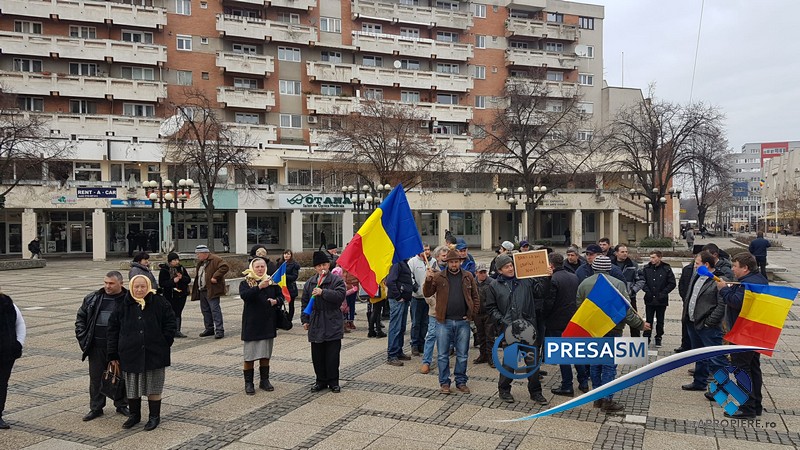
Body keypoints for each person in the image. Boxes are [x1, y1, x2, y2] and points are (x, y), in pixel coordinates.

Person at [576, 256, 649, 413]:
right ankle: (607, 400)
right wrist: (640, 325)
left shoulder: (583, 284)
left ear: (594, 267)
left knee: (595, 364)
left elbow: (579, 308)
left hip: (592, 330)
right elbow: (625, 311)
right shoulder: (617, 284)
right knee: (609, 366)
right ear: (609, 268)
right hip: (612, 330)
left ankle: (597, 398)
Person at [107, 274, 176, 431]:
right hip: (130, 353)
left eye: (142, 286)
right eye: (136, 286)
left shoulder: (159, 302)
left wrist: (165, 341)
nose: (139, 289)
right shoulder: (122, 304)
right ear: (131, 287)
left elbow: (170, 322)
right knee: (132, 387)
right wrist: (113, 353)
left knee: (154, 386)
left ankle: (154, 417)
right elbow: (113, 329)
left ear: (148, 286)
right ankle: (134, 416)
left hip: (155, 353)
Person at [485, 253, 549, 404]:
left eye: (511, 265)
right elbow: (490, 308)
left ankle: (535, 392)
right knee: (509, 362)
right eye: (506, 266)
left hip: (528, 328)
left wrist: (546, 277)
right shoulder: (494, 286)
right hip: (509, 330)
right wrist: (502, 320)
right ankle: (504, 390)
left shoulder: (525, 280)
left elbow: (541, 292)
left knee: (532, 362)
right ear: (499, 270)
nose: (510, 268)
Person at [716, 252, 768, 418]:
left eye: (735, 266)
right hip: (754, 332)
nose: (733, 269)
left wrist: (723, 290)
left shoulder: (748, 284)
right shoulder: (759, 279)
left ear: (745, 268)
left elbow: (736, 302)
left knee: (742, 370)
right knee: (753, 368)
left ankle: (748, 408)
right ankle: (756, 404)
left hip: (743, 333)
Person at [75, 271, 131, 422]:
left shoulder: (129, 299)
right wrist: (82, 336)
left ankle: (121, 404)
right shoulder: (93, 298)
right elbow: (81, 317)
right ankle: (96, 407)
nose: (107, 286)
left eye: (111, 283)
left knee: (121, 376)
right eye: (105, 282)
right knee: (96, 378)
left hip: (120, 346)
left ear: (121, 283)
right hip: (97, 346)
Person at [423, 249, 479, 395]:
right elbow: (427, 293)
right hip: (443, 321)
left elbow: (475, 296)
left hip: (462, 321)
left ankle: (461, 381)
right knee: (442, 354)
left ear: (460, 262)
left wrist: (472, 313)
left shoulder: (468, 276)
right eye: (451, 262)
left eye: (456, 262)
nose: (454, 264)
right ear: (447, 263)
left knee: (462, 354)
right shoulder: (439, 276)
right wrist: (428, 279)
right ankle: (444, 382)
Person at [680, 251, 728, 393]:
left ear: (706, 264)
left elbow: (722, 305)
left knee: (716, 359)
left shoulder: (719, 280)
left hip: (708, 326)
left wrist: (709, 322)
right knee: (699, 356)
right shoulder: (697, 276)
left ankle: (721, 389)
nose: (694, 266)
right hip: (692, 323)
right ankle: (699, 382)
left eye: (697, 263)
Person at [301, 251, 346, 393]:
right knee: (317, 355)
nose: (322, 268)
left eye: (324, 264)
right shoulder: (310, 283)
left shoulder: (336, 280)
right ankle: (320, 380)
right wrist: (305, 319)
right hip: (316, 321)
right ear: (315, 268)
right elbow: (304, 303)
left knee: (332, 355)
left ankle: (333, 381)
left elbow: (340, 296)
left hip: (332, 320)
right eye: (319, 266)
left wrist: (323, 292)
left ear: (329, 265)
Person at [544, 253, 588, 397]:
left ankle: (567, 385)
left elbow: (549, 303)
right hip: (573, 319)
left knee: (563, 355)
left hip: (557, 321)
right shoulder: (573, 276)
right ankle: (583, 382)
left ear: (551, 265)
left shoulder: (553, 280)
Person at [239, 258, 284, 395]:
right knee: (250, 355)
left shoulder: (272, 281)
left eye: (262, 266)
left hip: (267, 322)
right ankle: (249, 383)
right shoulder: (246, 282)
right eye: (257, 266)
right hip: (252, 323)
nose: (260, 269)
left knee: (265, 354)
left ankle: (264, 380)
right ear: (252, 268)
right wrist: (259, 287)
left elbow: (281, 297)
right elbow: (245, 296)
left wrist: (276, 301)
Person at [639, 250, 676, 348]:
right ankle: (647, 336)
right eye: (650, 257)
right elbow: (642, 281)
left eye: (654, 257)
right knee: (649, 319)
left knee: (660, 320)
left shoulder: (666, 268)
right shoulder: (646, 268)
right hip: (650, 299)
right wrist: (648, 291)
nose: (652, 259)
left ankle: (658, 337)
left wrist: (663, 293)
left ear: (659, 258)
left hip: (661, 300)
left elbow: (672, 283)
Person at [0, 289, 26, 430]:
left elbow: (20, 324)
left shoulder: (7, 303)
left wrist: (18, 344)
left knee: (1, 384)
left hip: (5, 354)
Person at [191, 245, 229, 339]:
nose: (197, 256)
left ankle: (219, 330)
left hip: (212, 289)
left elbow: (225, 267)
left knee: (215, 310)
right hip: (202, 290)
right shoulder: (201, 262)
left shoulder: (216, 259)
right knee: (205, 310)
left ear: (204, 253)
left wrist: (215, 276)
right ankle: (209, 328)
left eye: (198, 254)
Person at [420, 245, 445, 374]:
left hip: (445, 314)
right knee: (431, 336)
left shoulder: (444, 275)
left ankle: (443, 361)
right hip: (434, 313)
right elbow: (427, 296)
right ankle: (426, 361)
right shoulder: (431, 275)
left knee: (444, 338)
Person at [611, 245, 644, 337]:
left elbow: (641, 280)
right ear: (616, 253)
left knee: (634, 321)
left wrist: (632, 291)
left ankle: (636, 341)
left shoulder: (633, 265)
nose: (625, 254)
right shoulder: (611, 265)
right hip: (613, 299)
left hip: (630, 298)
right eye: (622, 252)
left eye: (626, 252)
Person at [386, 259, 415, 366]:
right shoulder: (397, 263)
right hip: (397, 300)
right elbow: (390, 281)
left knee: (401, 327)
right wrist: (398, 296)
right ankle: (392, 355)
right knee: (396, 327)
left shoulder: (404, 262)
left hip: (404, 299)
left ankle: (398, 351)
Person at [408, 245, 435, 357]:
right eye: (424, 250)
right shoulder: (412, 262)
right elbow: (410, 277)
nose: (426, 252)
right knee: (416, 323)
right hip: (417, 297)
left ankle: (422, 343)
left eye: (428, 249)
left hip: (428, 299)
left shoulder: (433, 261)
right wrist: (416, 288)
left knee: (425, 323)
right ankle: (414, 344)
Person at [158, 253, 191, 338]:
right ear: (170, 261)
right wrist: (173, 281)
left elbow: (188, 279)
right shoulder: (164, 270)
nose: (177, 262)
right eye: (174, 260)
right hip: (170, 295)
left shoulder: (181, 268)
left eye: (177, 260)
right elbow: (162, 283)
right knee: (170, 312)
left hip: (181, 294)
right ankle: (170, 329)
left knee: (178, 312)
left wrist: (182, 278)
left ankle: (177, 330)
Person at [472, 263, 495, 365]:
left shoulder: (492, 283)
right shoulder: (472, 283)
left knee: (490, 336)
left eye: (484, 272)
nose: (483, 274)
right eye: (481, 272)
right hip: (477, 313)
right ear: (476, 273)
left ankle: (491, 357)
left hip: (488, 313)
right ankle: (483, 355)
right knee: (480, 335)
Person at [279, 249, 300, 320]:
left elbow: (294, 276)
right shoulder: (280, 263)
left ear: (291, 255)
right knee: (279, 302)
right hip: (281, 286)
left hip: (290, 287)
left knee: (291, 304)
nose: (286, 255)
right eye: (285, 254)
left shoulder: (294, 265)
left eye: (288, 254)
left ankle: (289, 319)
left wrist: (285, 276)